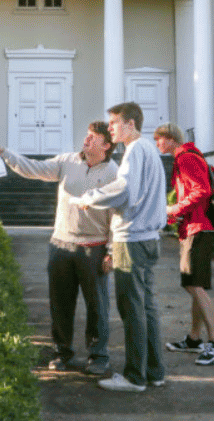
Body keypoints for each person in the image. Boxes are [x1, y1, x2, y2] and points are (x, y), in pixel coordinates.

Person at [0, 122, 118, 375]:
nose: (87, 139)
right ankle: (62, 352)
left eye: (93, 137)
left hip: (94, 248)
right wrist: (6, 153)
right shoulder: (68, 161)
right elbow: (35, 169)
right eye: (87, 134)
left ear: (106, 145)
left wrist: (112, 251)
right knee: (60, 303)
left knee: (97, 305)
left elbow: (117, 213)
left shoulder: (114, 173)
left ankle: (98, 355)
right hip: (61, 245)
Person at [70, 101, 168, 392]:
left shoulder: (136, 150)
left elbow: (125, 190)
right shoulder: (148, 148)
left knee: (132, 308)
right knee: (146, 306)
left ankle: (135, 377)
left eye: (113, 123)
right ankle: (154, 371)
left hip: (133, 239)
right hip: (148, 239)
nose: (110, 128)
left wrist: (90, 197)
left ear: (130, 124)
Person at [155, 123, 214, 366]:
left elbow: (202, 190)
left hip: (198, 228)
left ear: (170, 139)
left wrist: (175, 208)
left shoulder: (186, 158)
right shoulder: (187, 157)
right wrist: (177, 214)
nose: (157, 144)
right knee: (194, 284)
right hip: (196, 227)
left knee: (194, 285)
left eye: (159, 140)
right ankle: (194, 339)